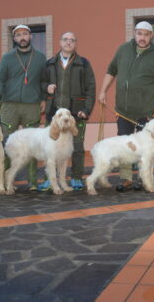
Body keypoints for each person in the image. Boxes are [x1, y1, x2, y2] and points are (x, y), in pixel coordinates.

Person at [98, 21, 154, 192]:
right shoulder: (123, 49)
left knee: (146, 148)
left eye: (146, 34)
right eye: (139, 34)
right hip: (123, 110)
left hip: (144, 111)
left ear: (151, 36)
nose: (142, 37)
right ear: (134, 34)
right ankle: (126, 179)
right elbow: (111, 70)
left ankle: (143, 179)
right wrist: (103, 91)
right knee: (124, 145)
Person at [0, 24, 47, 191]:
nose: (22, 37)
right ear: (14, 39)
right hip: (9, 105)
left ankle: (32, 181)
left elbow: (44, 80)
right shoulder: (7, 58)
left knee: (33, 144)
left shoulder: (40, 58)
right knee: (6, 142)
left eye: (25, 34)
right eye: (18, 35)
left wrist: (43, 98)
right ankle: (2, 181)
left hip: (32, 105)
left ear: (30, 37)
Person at [38, 31, 96, 191]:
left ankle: (76, 177)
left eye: (72, 40)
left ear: (75, 44)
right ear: (60, 42)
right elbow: (41, 83)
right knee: (50, 148)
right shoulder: (49, 63)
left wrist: (86, 109)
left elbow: (91, 88)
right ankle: (49, 180)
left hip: (76, 113)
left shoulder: (83, 63)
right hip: (54, 114)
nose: (68, 42)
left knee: (77, 146)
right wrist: (46, 87)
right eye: (65, 39)